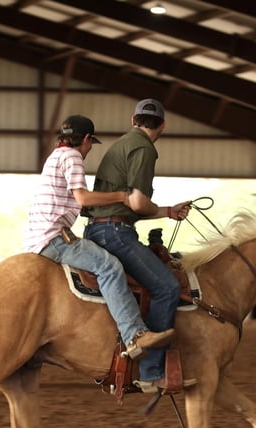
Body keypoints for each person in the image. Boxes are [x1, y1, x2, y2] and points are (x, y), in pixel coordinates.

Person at [21, 114, 174, 360]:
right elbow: (82, 198)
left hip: (38, 236)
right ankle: (134, 335)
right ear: (86, 139)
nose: (89, 149)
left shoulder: (55, 156)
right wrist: (122, 196)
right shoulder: (72, 157)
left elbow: (78, 203)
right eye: (90, 144)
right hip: (54, 237)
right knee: (109, 267)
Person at [83, 99, 194, 393]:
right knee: (167, 287)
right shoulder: (144, 148)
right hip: (115, 232)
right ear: (163, 125)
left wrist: (167, 211)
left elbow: (132, 204)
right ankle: (151, 372)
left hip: (100, 228)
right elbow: (138, 203)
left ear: (133, 120)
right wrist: (164, 210)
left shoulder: (122, 144)